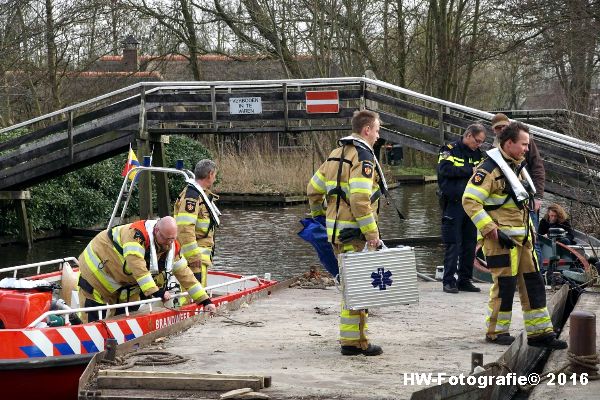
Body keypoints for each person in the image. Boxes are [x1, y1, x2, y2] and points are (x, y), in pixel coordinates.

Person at [462, 121, 567, 349]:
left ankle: (541, 334)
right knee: (505, 285)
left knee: (533, 284)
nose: (527, 149)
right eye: (524, 144)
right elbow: (470, 200)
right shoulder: (489, 169)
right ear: (509, 143)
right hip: (501, 241)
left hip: (524, 240)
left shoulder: (516, 166)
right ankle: (497, 332)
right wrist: (491, 230)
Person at [307, 109, 385, 356]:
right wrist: (372, 233)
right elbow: (361, 200)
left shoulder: (335, 153)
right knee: (358, 287)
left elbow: (312, 189)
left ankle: (352, 340)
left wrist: (321, 216)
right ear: (367, 130)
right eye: (377, 129)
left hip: (336, 232)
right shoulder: (363, 157)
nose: (378, 134)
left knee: (351, 286)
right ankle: (355, 343)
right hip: (354, 233)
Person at [77, 217, 216, 322]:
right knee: (92, 316)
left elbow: (185, 275)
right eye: (166, 239)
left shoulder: (171, 245)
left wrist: (205, 301)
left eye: (172, 239)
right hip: (95, 274)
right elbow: (136, 265)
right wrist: (155, 291)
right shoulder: (136, 235)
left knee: (126, 314)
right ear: (156, 231)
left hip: (123, 282)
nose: (169, 243)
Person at [437, 123, 486, 294]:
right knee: (453, 243)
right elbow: (445, 170)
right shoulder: (449, 149)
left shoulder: (479, 154)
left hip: (472, 205)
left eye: (481, 142)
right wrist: (470, 170)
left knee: (470, 243)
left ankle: (465, 280)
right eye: (477, 141)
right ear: (469, 135)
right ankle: (449, 281)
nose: (478, 145)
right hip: (454, 203)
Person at [491, 113, 545, 261]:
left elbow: (538, 168)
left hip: (528, 199)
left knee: (533, 240)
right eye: (498, 128)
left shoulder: (525, 143)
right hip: (506, 205)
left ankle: (537, 276)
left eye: (504, 126)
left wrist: (538, 196)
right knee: (509, 241)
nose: (502, 129)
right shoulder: (493, 148)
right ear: (493, 130)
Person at [174, 159, 219, 287]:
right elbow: (184, 228)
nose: (214, 179)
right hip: (195, 259)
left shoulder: (199, 194)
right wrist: (193, 256)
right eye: (214, 175)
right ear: (210, 174)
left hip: (200, 257)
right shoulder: (192, 197)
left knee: (197, 294)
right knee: (192, 297)